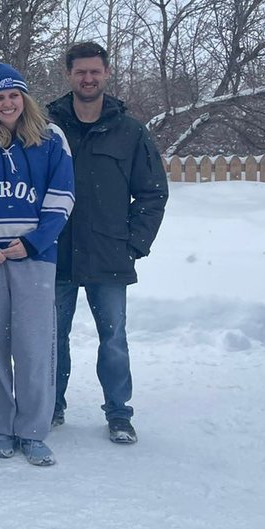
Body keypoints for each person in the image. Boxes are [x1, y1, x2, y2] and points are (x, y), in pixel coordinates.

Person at [0, 63, 75, 466]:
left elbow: (62, 197)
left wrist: (34, 242)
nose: (7, 103)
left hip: (35, 258)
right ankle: (2, 426)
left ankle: (34, 430)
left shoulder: (51, 138)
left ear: (24, 97)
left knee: (34, 345)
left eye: (13, 95)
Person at [48, 42, 168, 444]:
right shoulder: (48, 126)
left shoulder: (130, 131)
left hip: (109, 254)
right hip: (57, 252)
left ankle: (119, 412)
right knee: (52, 337)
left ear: (106, 73)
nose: (87, 78)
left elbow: (152, 193)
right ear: (69, 75)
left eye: (94, 72)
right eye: (80, 72)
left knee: (113, 338)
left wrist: (133, 243)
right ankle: (51, 406)